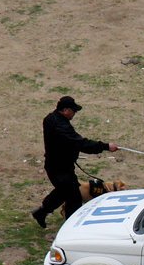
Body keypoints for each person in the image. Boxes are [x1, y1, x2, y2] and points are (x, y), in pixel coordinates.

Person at [31, 96, 118, 228]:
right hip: (59, 168)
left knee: (63, 192)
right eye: (73, 111)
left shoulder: (50, 119)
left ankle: (42, 212)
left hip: (58, 166)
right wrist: (105, 146)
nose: (74, 113)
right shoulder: (61, 126)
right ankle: (71, 227)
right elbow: (80, 143)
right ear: (65, 110)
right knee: (73, 198)